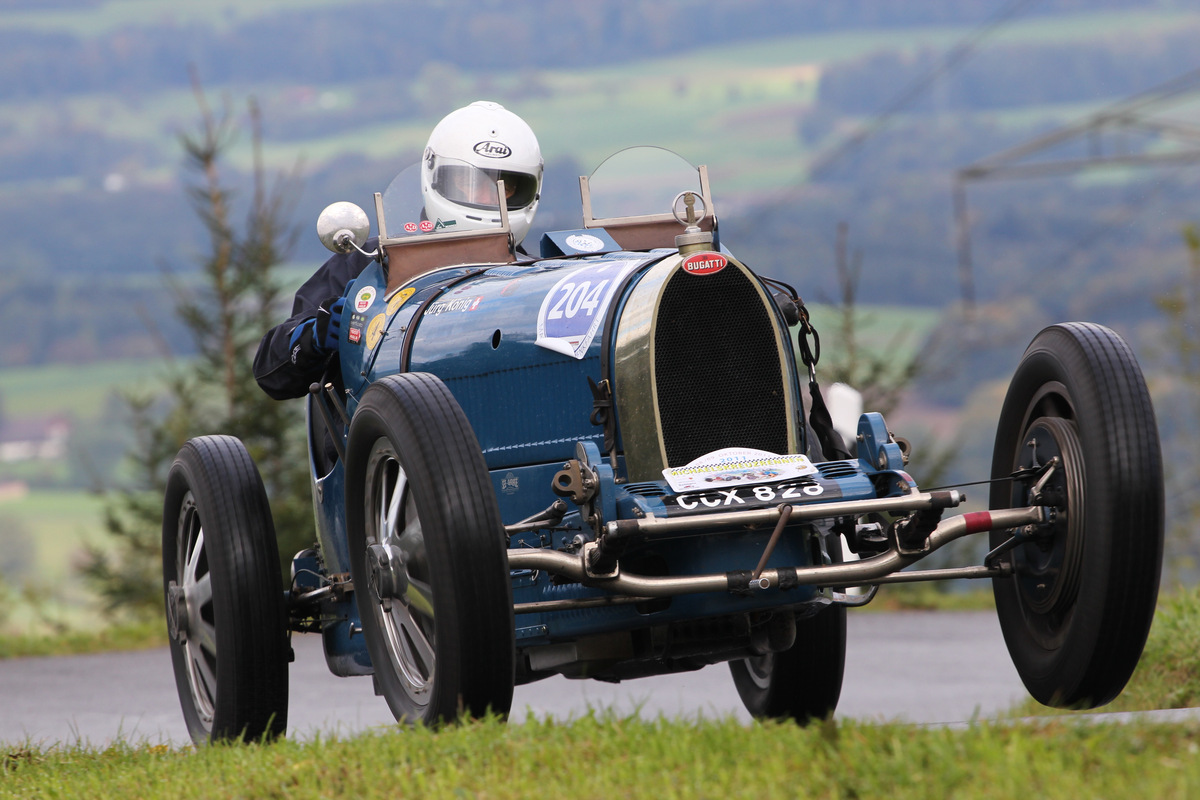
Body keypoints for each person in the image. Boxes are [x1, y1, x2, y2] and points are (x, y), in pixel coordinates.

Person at [253, 100, 544, 400]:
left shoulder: (538, 277)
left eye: (504, 185)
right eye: (467, 181)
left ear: (527, 190)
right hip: (382, 439)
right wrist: (316, 334)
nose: (485, 196)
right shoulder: (367, 262)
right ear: (437, 178)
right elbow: (270, 373)